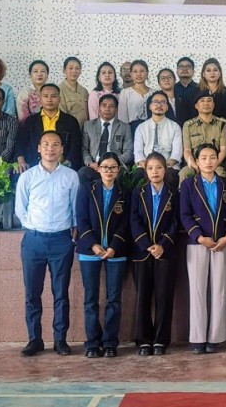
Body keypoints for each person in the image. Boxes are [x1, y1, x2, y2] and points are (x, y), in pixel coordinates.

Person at [15, 130, 79, 357]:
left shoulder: (71, 176)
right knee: (32, 293)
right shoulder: (28, 177)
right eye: (46, 144)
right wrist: (34, 226)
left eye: (55, 145)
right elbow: (20, 209)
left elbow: (75, 208)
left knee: (60, 293)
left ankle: (60, 339)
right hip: (34, 240)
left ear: (62, 149)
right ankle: (35, 339)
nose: (50, 149)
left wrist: (71, 231)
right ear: (39, 148)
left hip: (62, 240)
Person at [180, 143, 226, 354]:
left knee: (219, 290)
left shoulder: (225, 184)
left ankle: (215, 337)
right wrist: (199, 236)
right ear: (196, 160)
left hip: (221, 243)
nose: (209, 161)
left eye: (212, 157)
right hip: (198, 243)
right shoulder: (188, 185)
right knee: (197, 290)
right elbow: (184, 215)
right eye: (204, 157)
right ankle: (198, 338)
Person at [76, 152, 130, 358]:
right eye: (105, 167)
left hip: (116, 251)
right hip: (90, 251)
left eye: (113, 167)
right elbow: (80, 219)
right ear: (98, 169)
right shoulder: (87, 189)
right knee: (91, 299)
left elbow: (126, 223)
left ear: (118, 170)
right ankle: (92, 343)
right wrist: (93, 244)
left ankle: (110, 343)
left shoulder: (125, 192)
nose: (109, 171)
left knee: (114, 299)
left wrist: (114, 246)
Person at [130, 153, 179, 356]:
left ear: (165, 170)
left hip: (165, 253)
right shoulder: (138, 193)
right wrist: (147, 244)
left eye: (158, 168)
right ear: (145, 171)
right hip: (143, 252)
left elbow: (176, 222)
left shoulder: (173, 193)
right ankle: (143, 340)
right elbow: (133, 220)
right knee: (143, 297)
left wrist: (162, 245)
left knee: (164, 297)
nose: (155, 172)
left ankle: (160, 340)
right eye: (150, 168)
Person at [17, 84, 83, 171]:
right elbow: (21, 143)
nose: (49, 99)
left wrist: (66, 164)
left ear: (59, 99)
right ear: (40, 100)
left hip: (63, 166)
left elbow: (76, 146)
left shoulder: (71, 121)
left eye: (53, 96)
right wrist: (21, 160)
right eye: (45, 96)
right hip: (34, 165)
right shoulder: (30, 121)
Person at [133, 91, 183, 187]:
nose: (159, 105)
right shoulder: (141, 127)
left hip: (168, 165)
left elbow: (177, 152)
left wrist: (163, 166)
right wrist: (148, 166)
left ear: (167, 107)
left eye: (163, 102)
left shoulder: (175, 126)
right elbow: (138, 152)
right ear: (149, 106)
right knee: (138, 175)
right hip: (146, 165)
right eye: (155, 102)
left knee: (172, 176)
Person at [81, 94, 133, 184]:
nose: (107, 109)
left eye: (111, 106)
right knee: (82, 173)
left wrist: (112, 163)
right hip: (94, 165)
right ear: (99, 107)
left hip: (116, 166)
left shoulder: (125, 127)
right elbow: (84, 149)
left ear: (116, 109)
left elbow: (128, 152)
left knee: (121, 176)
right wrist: (90, 163)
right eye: (104, 105)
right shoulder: (88, 125)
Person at [181, 91, 226, 179]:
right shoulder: (188, 125)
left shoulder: (222, 124)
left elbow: (223, 151)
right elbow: (187, 151)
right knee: (184, 173)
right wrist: (196, 166)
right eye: (202, 101)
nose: (206, 103)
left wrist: (212, 165)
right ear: (196, 106)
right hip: (195, 164)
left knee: (220, 174)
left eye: (209, 100)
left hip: (215, 164)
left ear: (213, 105)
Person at [197, 58, 226, 123]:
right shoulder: (196, 91)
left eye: (215, 70)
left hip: (222, 129)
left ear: (220, 73)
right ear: (203, 74)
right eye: (208, 70)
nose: (212, 73)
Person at [118, 60, 151, 127]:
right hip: (132, 129)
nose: (138, 74)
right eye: (135, 71)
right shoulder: (125, 93)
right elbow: (122, 119)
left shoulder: (154, 93)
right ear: (131, 74)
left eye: (142, 71)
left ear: (147, 73)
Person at [59, 57, 90, 129]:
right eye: (70, 68)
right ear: (64, 71)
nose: (74, 71)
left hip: (85, 132)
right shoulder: (60, 90)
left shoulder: (84, 91)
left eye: (77, 68)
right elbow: (61, 116)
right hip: (70, 131)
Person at [174, 57, 199, 125]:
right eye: (181, 66)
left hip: (196, 126)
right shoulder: (172, 89)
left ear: (193, 71)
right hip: (175, 126)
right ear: (177, 71)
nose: (184, 69)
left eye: (188, 66)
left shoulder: (201, 89)